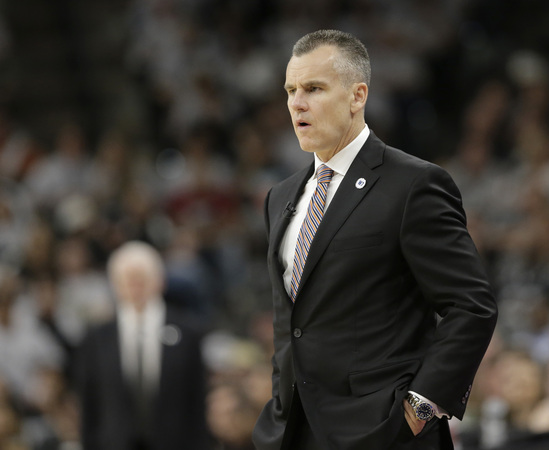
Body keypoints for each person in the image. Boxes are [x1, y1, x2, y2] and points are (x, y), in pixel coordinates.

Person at [252, 30, 498, 450]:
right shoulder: (280, 197)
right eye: (291, 90)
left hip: (385, 432)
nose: (297, 103)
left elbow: (471, 306)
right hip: (292, 431)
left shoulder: (414, 184)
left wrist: (421, 407)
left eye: (314, 88)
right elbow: (291, 327)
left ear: (357, 95)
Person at [75, 241, 214, 450]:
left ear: (160, 281)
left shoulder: (188, 333)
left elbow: (197, 400)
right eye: (126, 280)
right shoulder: (97, 338)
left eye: (141, 278)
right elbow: (89, 404)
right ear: (115, 285)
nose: (134, 286)